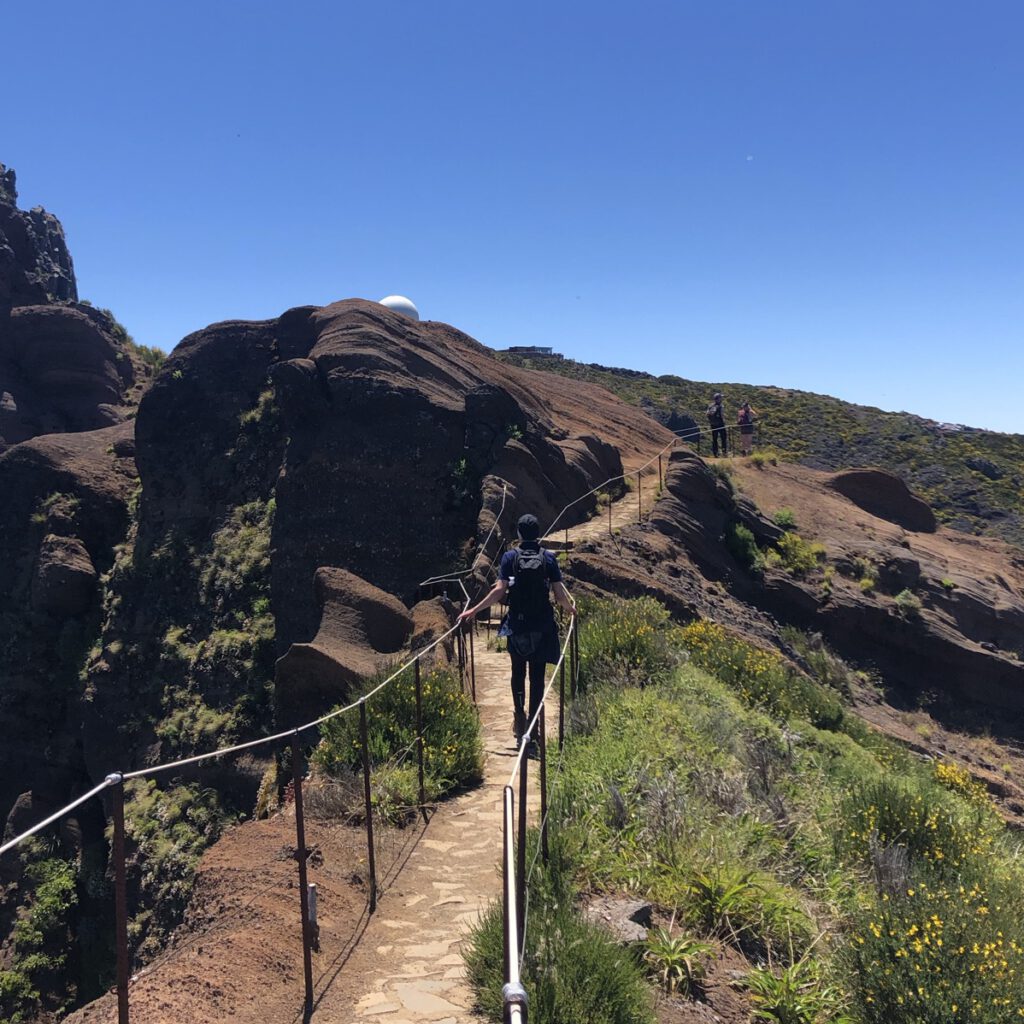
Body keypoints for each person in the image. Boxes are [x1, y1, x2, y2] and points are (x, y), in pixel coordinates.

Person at [457, 513, 576, 753]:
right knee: (538, 679)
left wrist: (474, 610)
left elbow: (499, 591)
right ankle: (533, 732)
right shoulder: (548, 559)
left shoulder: (510, 557)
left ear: (520, 534)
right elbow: (560, 595)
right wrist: (572, 610)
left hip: (517, 626)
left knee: (517, 675)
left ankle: (520, 722)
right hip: (542, 626)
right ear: (538, 532)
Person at [706, 392, 728, 457]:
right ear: (718, 399)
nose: (722, 399)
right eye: (721, 398)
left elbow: (707, 414)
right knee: (723, 438)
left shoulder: (710, 406)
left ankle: (715, 453)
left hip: (713, 425)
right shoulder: (720, 406)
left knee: (714, 439)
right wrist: (724, 421)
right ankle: (724, 453)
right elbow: (722, 415)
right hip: (720, 424)